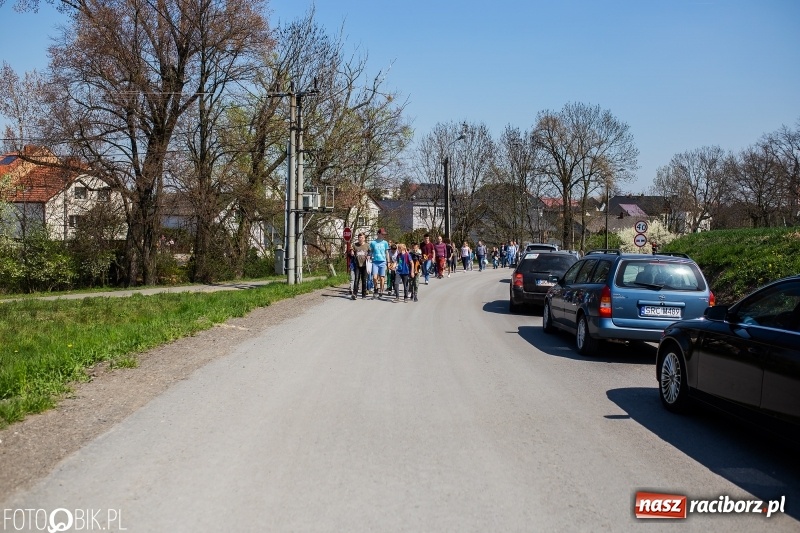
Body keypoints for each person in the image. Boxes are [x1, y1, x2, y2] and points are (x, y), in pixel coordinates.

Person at [369, 228, 390, 299]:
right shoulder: (373, 243)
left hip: (383, 261)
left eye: (384, 234)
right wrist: (369, 256)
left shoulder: (385, 243)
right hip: (375, 262)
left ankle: (381, 290)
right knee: (374, 277)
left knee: (382, 277)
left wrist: (388, 262)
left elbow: (387, 253)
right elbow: (370, 251)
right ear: (378, 234)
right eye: (382, 234)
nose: (383, 235)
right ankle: (376, 288)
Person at [350, 232, 369, 299]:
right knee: (356, 279)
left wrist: (369, 256)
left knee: (364, 280)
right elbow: (351, 248)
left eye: (362, 238)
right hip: (357, 264)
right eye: (359, 238)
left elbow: (370, 252)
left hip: (364, 265)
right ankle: (355, 294)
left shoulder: (367, 245)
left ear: (364, 239)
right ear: (358, 238)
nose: (361, 239)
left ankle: (363, 294)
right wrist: (352, 251)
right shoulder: (355, 245)